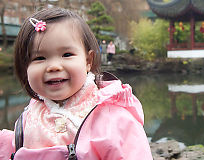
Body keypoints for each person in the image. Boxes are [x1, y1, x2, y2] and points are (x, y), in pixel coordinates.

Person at [0, 8, 153, 160]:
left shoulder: (112, 118)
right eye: (39, 58)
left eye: (67, 55)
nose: (54, 66)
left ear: (88, 61)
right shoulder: (29, 116)